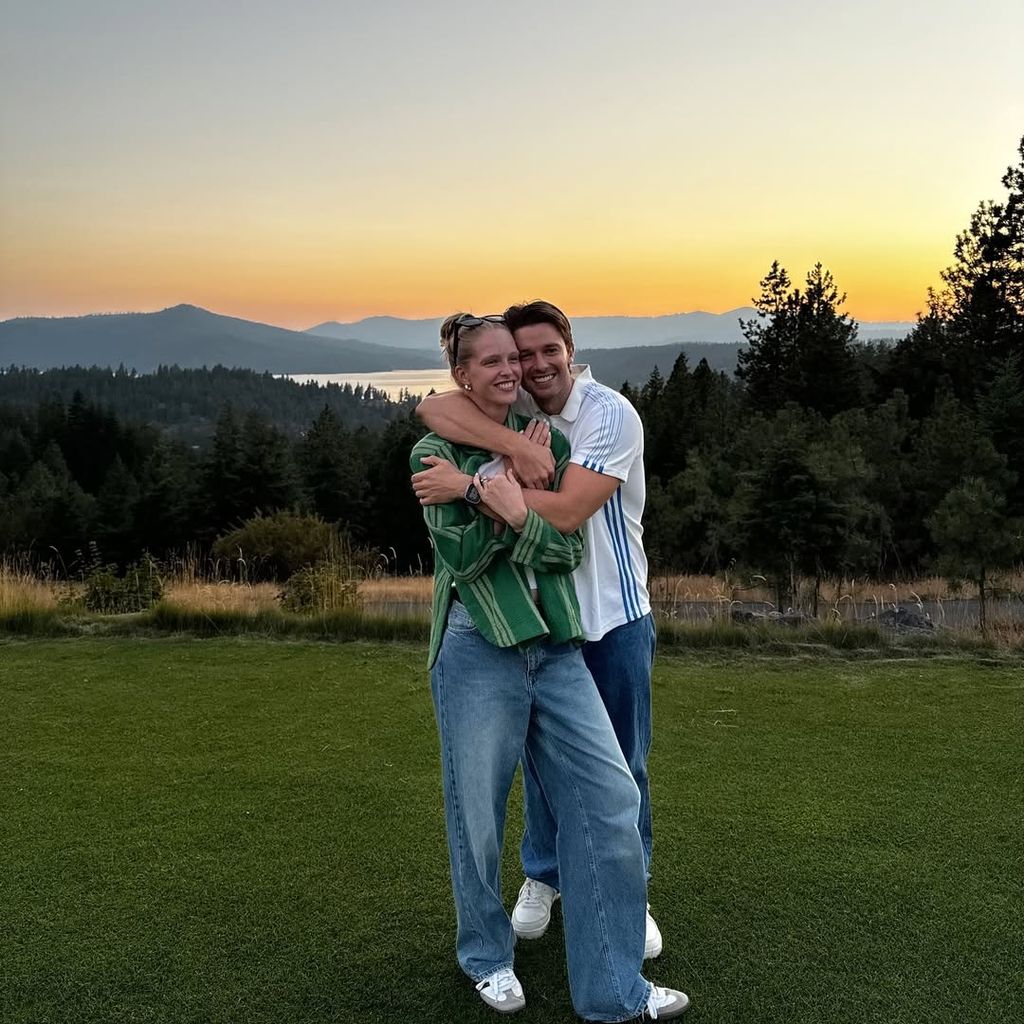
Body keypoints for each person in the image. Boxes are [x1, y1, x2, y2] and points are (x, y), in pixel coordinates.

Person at [411, 312, 688, 1020]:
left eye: (521, 357)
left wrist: (489, 498)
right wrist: (487, 490)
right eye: (496, 360)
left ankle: (613, 992)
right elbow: (464, 559)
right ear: (464, 374)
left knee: (611, 796)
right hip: (479, 647)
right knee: (476, 816)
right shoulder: (432, 455)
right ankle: (486, 956)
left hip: (558, 644)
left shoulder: (559, 433)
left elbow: (566, 546)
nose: (513, 369)